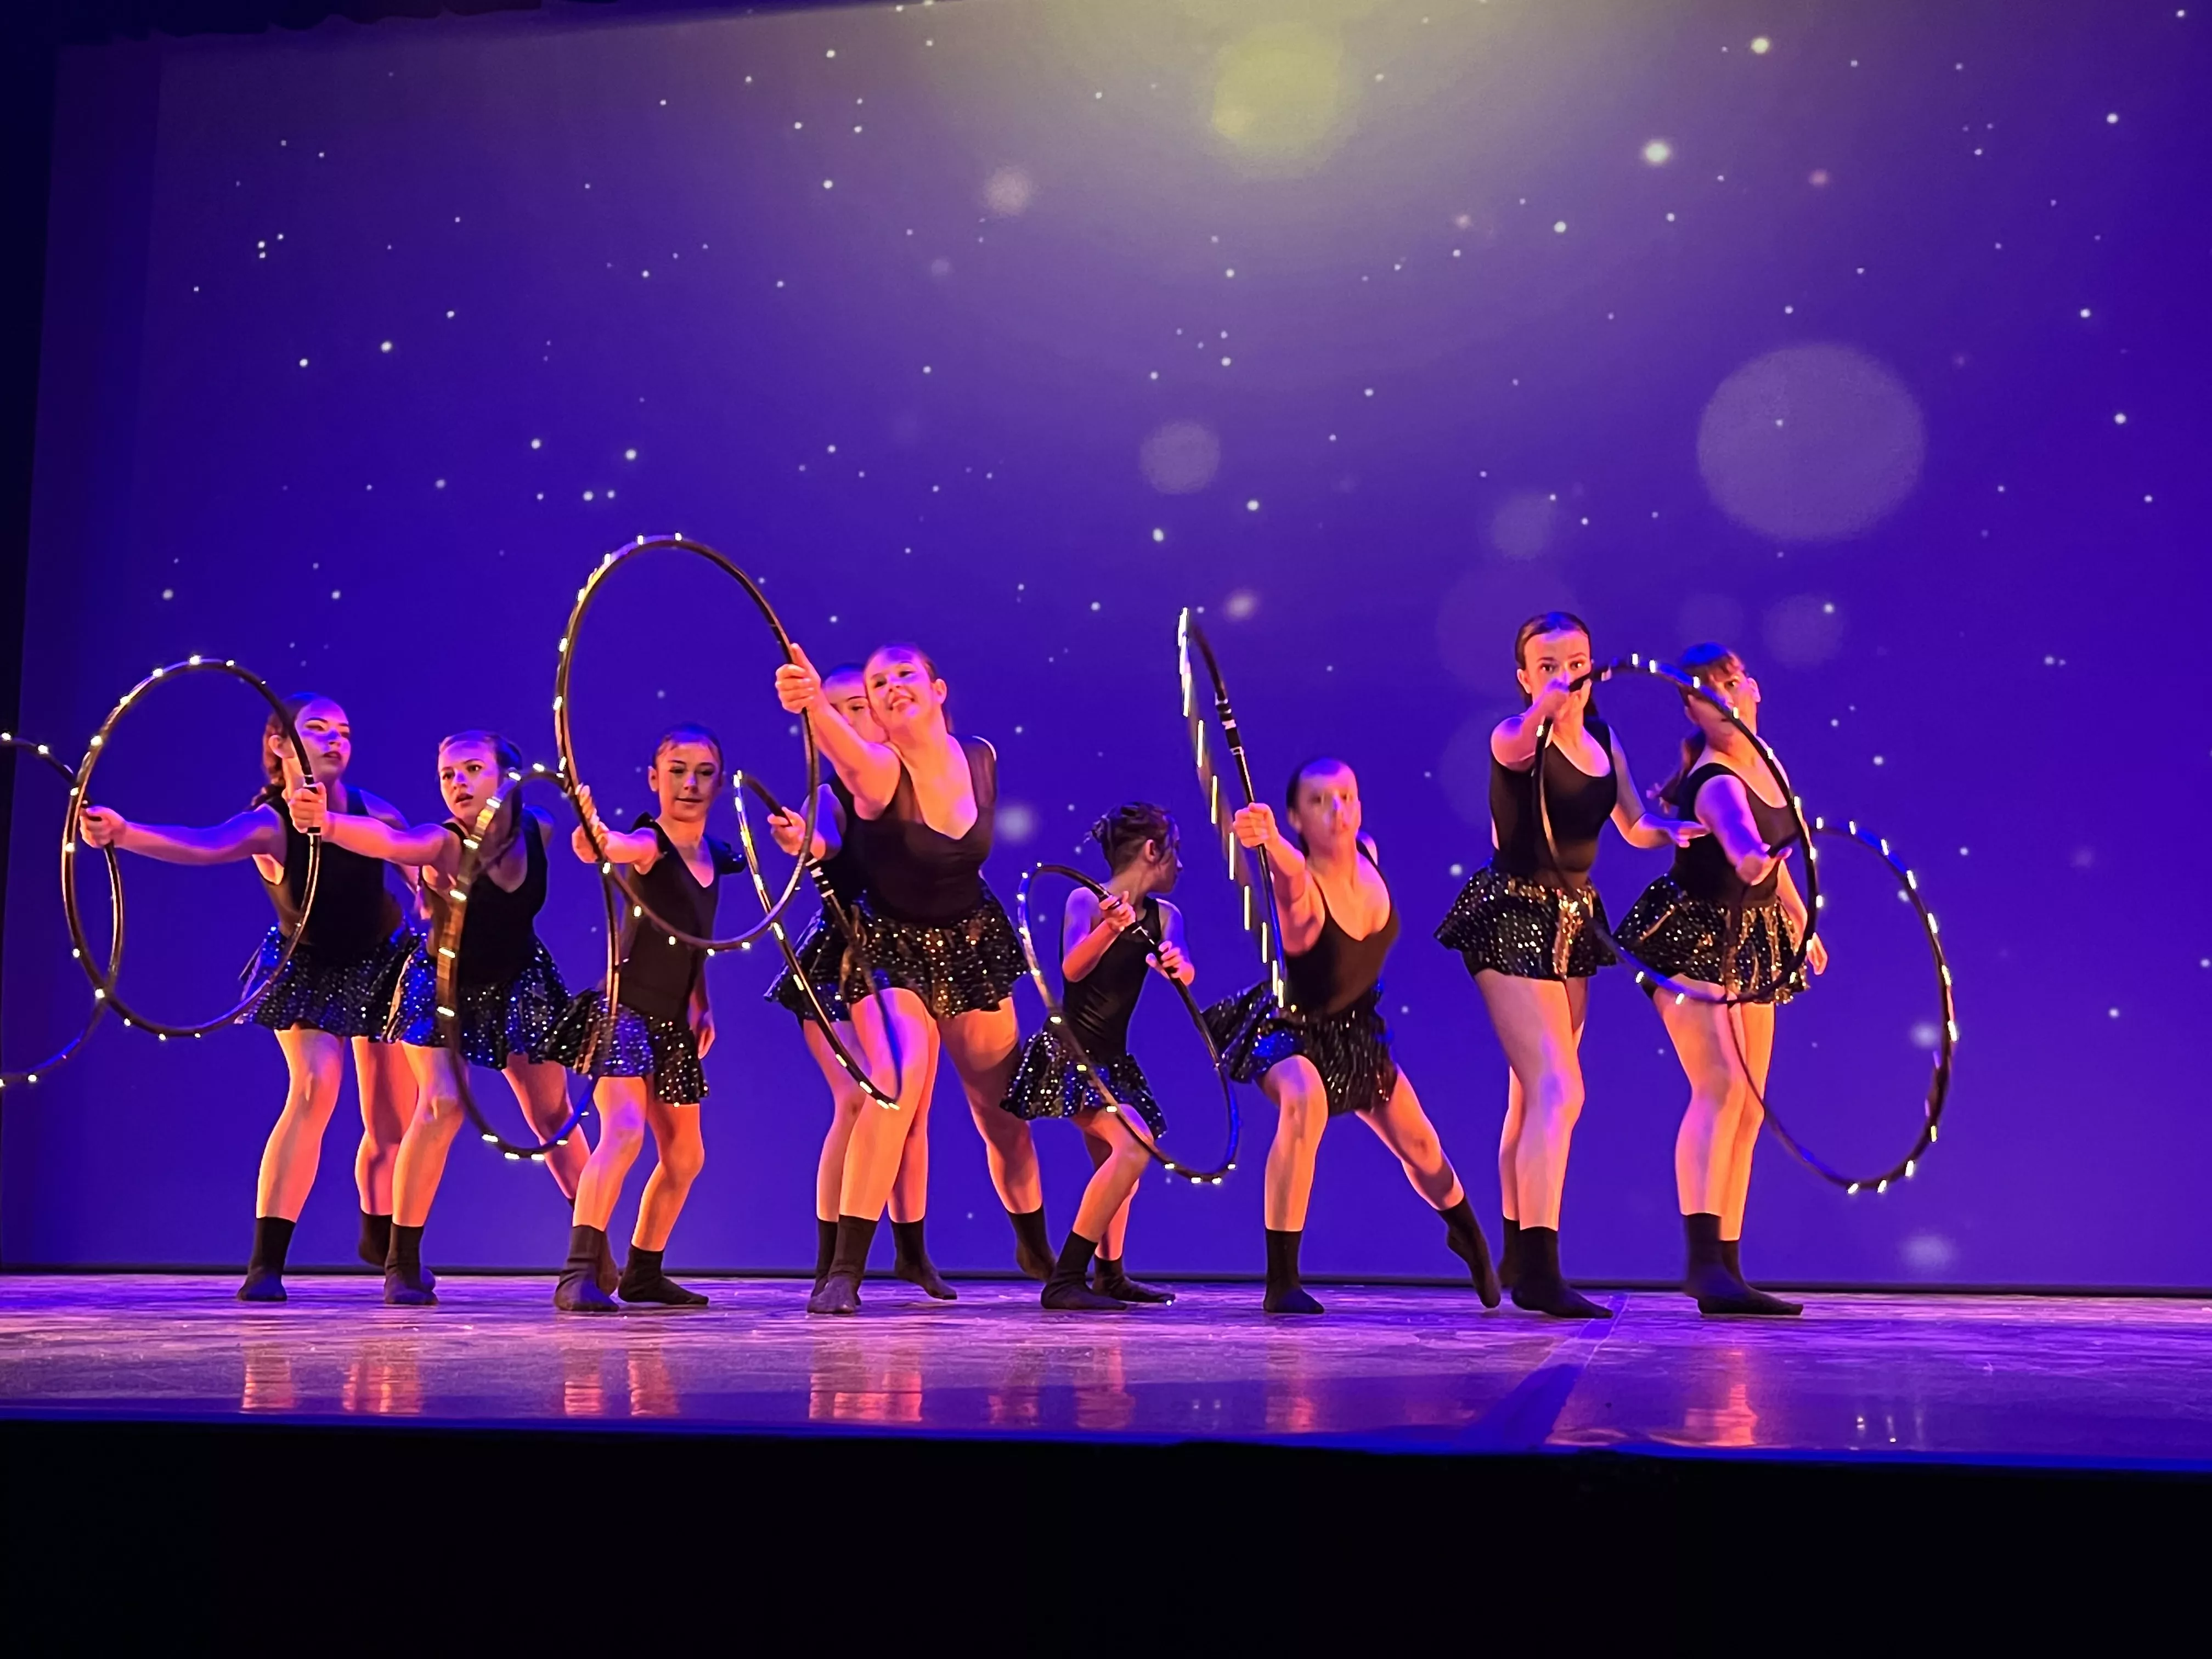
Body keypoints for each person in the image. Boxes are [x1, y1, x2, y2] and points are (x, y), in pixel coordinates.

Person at [77, 694, 416, 1301]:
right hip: (309, 966)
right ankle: (266, 1264)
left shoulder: (376, 813)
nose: (335, 738)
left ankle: (384, 1238)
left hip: (380, 962)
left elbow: (418, 856)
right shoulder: (269, 824)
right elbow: (201, 844)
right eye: (317, 728)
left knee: (391, 1122)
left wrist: (431, 890)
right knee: (314, 1090)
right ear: (280, 745)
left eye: (344, 729)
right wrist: (125, 833)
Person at [1434, 612, 1698, 1318]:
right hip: (1512, 919)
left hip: (1573, 924)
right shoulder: (1514, 735)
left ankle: (1521, 1250)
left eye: (1575, 660)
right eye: (1547, 665)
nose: (1564, 674)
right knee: (1560, 1089)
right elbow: (1521, 745)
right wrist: (1546, 709)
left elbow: (1636, 828)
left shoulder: (1604, 740)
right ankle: (1543, 1271)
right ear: (1524, 677)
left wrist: (1684, 830)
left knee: (1531, 1095)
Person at [774, 641, 1041, 1316]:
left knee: (1003, 1114)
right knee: (892, 1088)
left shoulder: (981, 757)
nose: (892, 688)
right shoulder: (874, 772)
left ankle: (1037, 1252)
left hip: (971, 944)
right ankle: (843, 1271)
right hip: (888, 950)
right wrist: (814, 709)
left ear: (939, 688)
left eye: (904, 676)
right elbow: (842, 771)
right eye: (877, 683)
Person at [290, 730, 582, 1305]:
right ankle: (403, 1260)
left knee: (553, 1111)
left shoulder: (538, 827)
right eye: (448, 775)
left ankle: (594, 1251)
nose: (458, 784)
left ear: (508, 776)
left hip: (519, 980)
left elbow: (581, 844)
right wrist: (326, 823)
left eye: (473, 769)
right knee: (444, 1103)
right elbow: (387, 841)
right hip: (441, 985)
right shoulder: (443, 845)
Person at [1207, 759, 1500, 1316]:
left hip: (1358, 1035)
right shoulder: (1299, 887)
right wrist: (1266, 841)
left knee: (1422, 1149)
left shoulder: (1368, 852)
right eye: (1318, 801)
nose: (1336, 810)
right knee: (1304, 1100)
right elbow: (1289, 874)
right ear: (1296, 816)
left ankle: (1469, 1237)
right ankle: (1283, 1281)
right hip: (1292, 1031)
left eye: (1345, 796)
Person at [1616, 644, 1825, 1316]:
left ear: (1753, 686)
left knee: (1751, 1104)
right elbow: (1742, 843)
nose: (1728, 696)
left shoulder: (1767, 763)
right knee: (1720, 1087)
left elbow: (1776, 857)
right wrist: (1752, 864)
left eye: (1733, 682)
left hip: (1752, 939)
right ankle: (1702, 1263)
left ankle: (1728, 1269)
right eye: (1711, 691)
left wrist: (1800, 918)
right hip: (1689, 939)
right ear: (1693, 709)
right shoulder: (1716, 781)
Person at [764, 663, 950, 1302]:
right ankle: (834, 1265)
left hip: (906, 961)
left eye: (857, 707)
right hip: (843, 965)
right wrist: (805, 844)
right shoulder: (832, 794)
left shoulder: (909, 780)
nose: (847, 720)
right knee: (858, 1101)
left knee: (915, 1112)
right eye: (834, 710)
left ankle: (912, 1254)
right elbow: (823, 839)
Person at [546, 723, 743, 1312]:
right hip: (626, 1014)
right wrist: (593, 829)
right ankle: (578, 1272)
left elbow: (691, 936)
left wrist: (701, 998)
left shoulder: (716, 855)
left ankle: (643, 1272)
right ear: (655, 779)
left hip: (674, 1023)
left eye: (704, 772)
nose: (690, 783)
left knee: (687, 1157)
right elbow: (608, 848)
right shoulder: (649, 841)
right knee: (626, 1130)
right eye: (678, 770)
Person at [1003, 803, 1192, 1310]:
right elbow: (1073, 969)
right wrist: (1110, 929)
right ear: (1153, 851)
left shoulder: (1167, 916)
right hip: (1072, 1055)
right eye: (1176, 852)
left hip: (1113, 1060)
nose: (1181, 865)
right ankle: (1066, 1279)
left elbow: (1182, 968)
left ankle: (1110, 1275)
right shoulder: (1085, 901)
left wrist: (1175, 964)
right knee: (1134, 1145)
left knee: (1119, 1163)